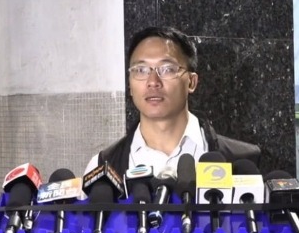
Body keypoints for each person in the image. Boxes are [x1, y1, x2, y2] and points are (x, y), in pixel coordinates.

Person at [84, 26, 261, 178]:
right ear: (130, 85)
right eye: (141, 70)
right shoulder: (102, 168)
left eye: (167, 69)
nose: (153, 81)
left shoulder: (243, 160)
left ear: (191, 82)